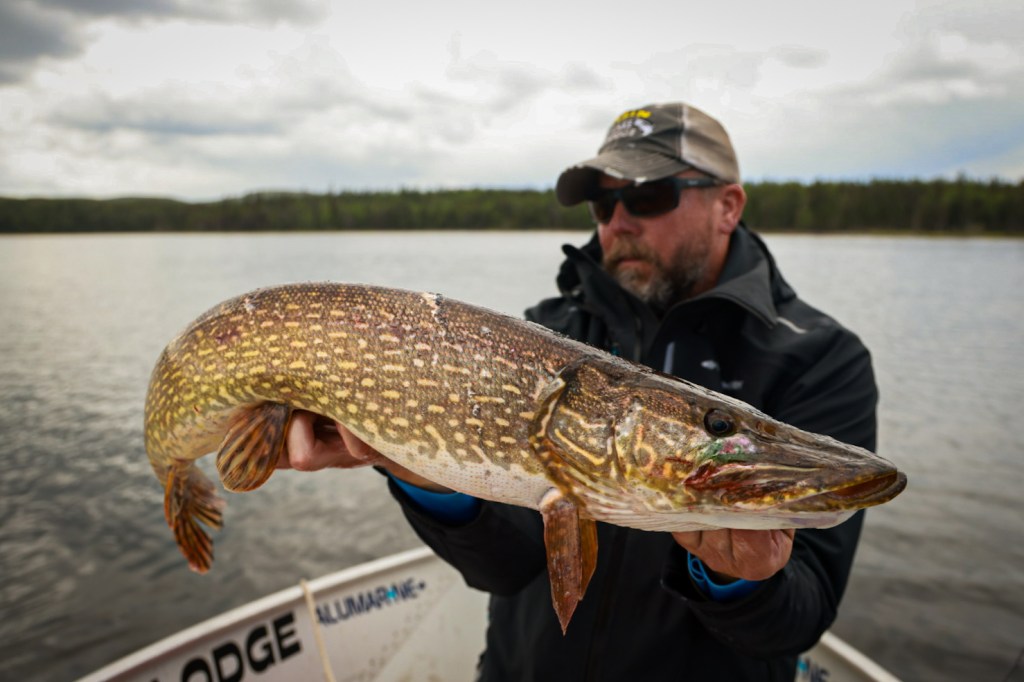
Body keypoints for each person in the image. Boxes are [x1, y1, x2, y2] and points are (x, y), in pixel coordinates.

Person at [279, 102, 879, 681]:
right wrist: (415, 469)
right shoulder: (542, 334)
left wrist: (738, 579)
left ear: (728, 206)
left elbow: (799, 617)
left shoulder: (822, 358)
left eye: (647, 196)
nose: (618, 221)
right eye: (602, 203)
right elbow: (506, 566)